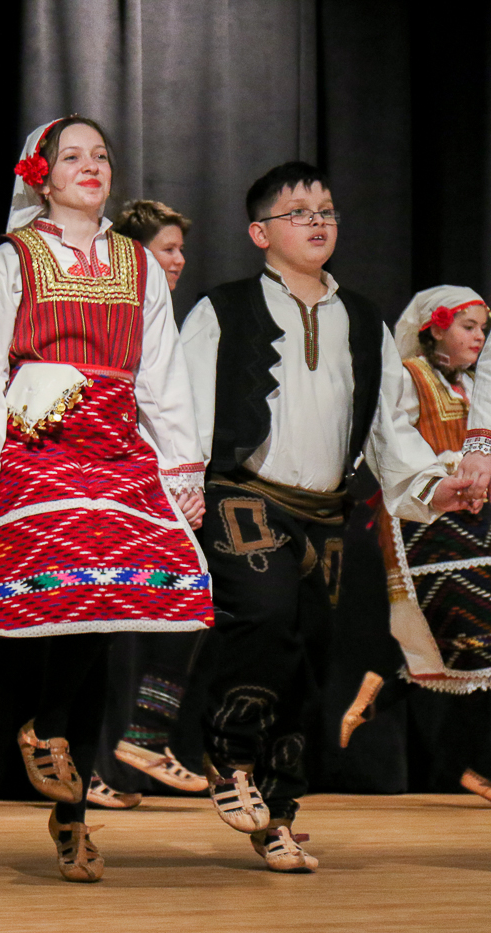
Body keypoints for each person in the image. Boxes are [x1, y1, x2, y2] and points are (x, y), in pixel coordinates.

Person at [180, 162, 472, 872]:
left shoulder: (364, 320)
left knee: (309, 655)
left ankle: (279, 813)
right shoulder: (222, 308)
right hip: (243, 492)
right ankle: (227, 754)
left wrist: (434, 488)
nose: (317, 221)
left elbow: (390, 428)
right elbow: (182, 404)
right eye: (299, 211)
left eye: (327, 210)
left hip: (325, 509)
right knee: (264, 613)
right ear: (260, 233)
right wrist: (180, 484)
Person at [0, 117, 212, 883]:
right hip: (40, 438)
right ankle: (66, 795)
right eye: (73, 155)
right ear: (41, 173)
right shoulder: (15, 258)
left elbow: (162, 367)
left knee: (114, 602)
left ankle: (56, 759)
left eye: (100, 155)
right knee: (80, 597)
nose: (91, 165)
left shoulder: (136, 263)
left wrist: (181, 466)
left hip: (117, 444)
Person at [340, 286, 491, 799]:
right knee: (475, 637)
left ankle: (388, 688)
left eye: (482, 329)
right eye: (468, 326)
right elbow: (389, 448)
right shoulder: (409, 376)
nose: (479, 337)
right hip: (429, 522)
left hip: (475, 519)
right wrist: (443, 475)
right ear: (435, 329)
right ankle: (470, 763)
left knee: (468, 643)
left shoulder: (473, 388)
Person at [89, 199, 207, 809]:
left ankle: (128, 749)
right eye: (168, 249)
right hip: (113, 475)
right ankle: (100, 755)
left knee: (160, 612)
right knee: (102, 623)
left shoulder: (163, 315)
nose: (179, 260)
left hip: (157, 479)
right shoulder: (113, 312)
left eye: (181, 249)